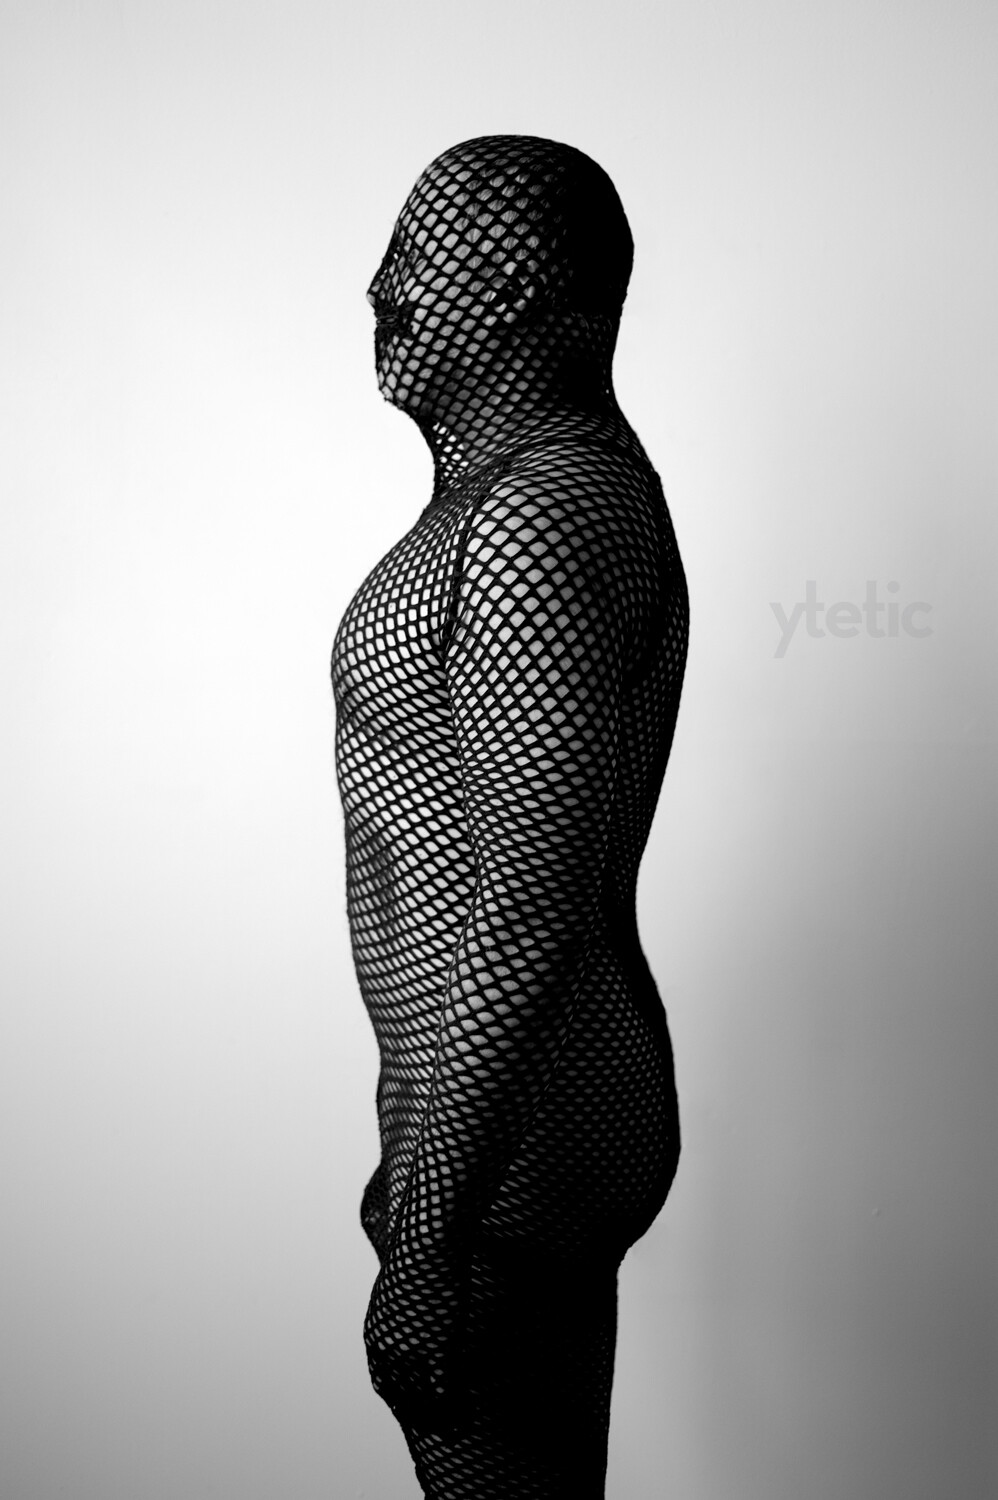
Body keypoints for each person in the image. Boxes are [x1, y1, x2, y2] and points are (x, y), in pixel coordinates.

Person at [332, 134, 688, 1499]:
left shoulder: (538, 517)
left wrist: (428, 1235)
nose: (383, 287)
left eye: (424, 253)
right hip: (509, 1114)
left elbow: (528, 902)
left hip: (515, 1124)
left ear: (534, 291)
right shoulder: (535, 497)